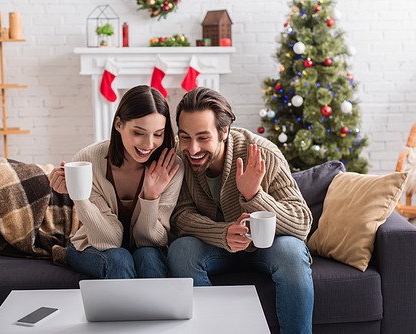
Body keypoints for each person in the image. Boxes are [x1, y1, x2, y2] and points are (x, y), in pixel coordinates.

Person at [166, 87, 314, 334]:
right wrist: (222, 233)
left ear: (224, 132)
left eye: (203, 138)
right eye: (185, 137)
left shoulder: (263, 153)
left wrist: (254, 196)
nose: (192, 149)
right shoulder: (179, 159)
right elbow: (181, 216)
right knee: (181, 252)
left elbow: (301, 222)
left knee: (292, 253)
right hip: (216, 249)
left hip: (267, 248)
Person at [49, 85, 183, 279]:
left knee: (149, 258)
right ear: (118, 124)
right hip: (92, 245)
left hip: (146, 248)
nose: (149, 144)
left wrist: (150, 196)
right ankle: (124, 311)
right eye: (139, 133)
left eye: (158, 134)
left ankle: (156, 311)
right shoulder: (88, 160)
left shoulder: (171, 167)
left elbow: (152, 241)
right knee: (119, 259)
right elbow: (109, 239)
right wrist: (80, 196)